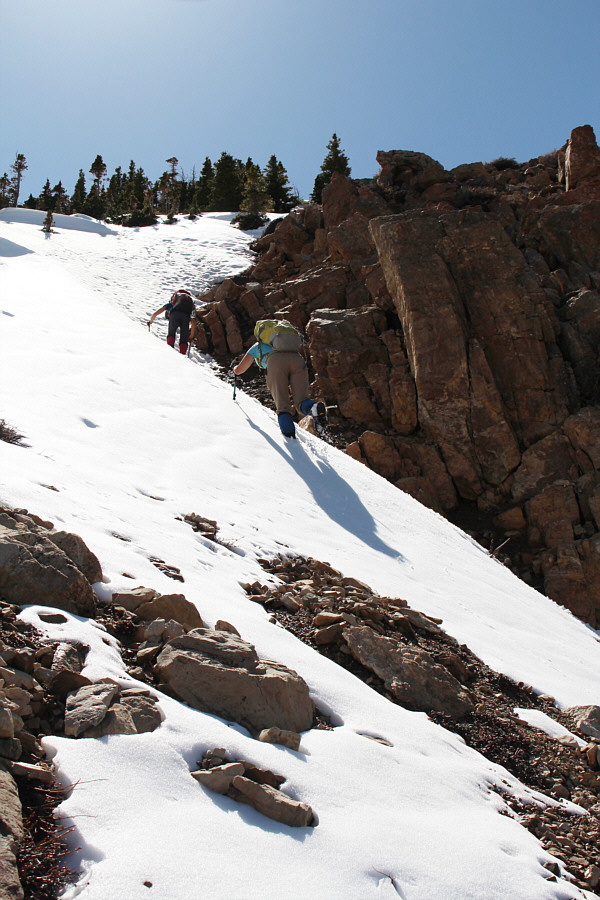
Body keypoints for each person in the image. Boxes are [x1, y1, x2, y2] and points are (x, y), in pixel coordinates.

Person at [233, 335, 327, 438]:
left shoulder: (258, 346)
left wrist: (235, 368)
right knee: (301, 401)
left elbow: (240, 370)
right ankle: (313, 407)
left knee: (283, 408)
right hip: (297, 359)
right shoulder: (288, 347)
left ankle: (290, 439)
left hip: (275, 363)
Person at [148, 289, 196, 355]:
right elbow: (193, 322)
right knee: (184, 339)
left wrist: (150, 321)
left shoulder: (173, 303)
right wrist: (191, 337)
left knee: (171, 334)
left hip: (174, 315)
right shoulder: (188, 307)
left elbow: (156, 314)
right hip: (186, 317)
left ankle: (169, 353)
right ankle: (182, 356)